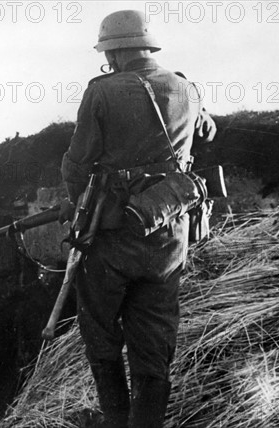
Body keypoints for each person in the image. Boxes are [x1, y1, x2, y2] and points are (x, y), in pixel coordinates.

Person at [60, 10, 216, 428]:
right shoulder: (187, 88)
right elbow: (205, 133)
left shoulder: (102, 92)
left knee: (102, 334)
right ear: (149, 46)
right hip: (169, 237)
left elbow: (77, 165)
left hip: (112, 237)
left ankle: (116, 420)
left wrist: (79, 209)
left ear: (113, 50)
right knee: (155, 340)